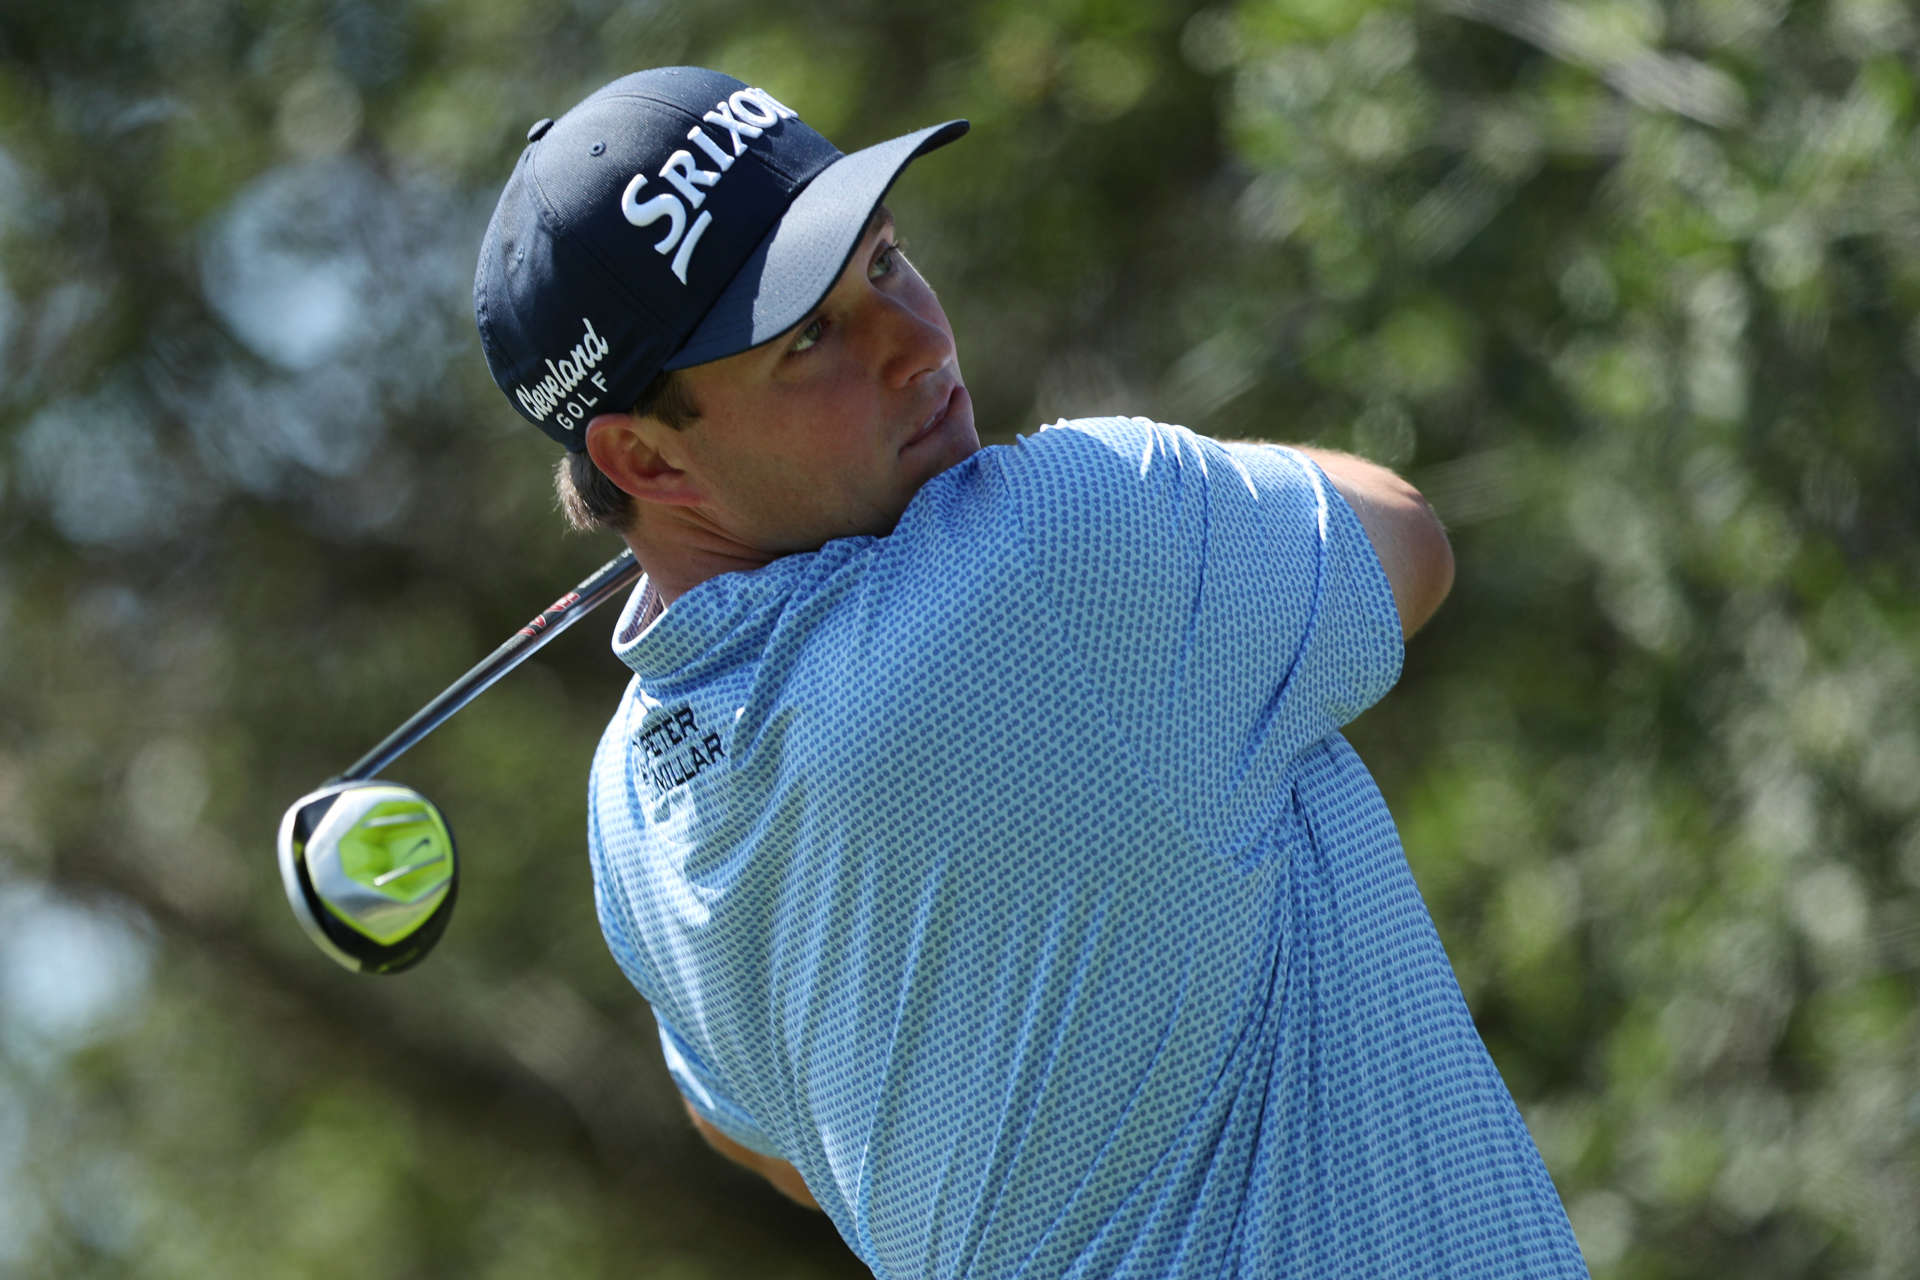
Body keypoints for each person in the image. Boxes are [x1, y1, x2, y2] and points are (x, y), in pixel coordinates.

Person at [474, 66, 1589, 1278]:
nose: (920, 343)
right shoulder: (1043, 552)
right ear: (645, 454)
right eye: (811, 340)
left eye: (887, 261)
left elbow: (764, 1141)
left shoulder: (631, 804)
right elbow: (1408, 538)